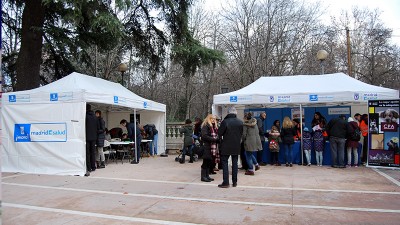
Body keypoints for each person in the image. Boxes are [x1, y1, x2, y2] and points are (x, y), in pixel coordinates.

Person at [217, 107, 243, 188]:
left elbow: (219, 133)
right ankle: (234, 182)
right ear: (235, 113)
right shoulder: (240, 122)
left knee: (225, 163)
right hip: (236, 145)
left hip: (226, 145)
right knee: (235, 163)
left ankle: (226, 182)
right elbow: (242, 133)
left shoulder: (225, 121)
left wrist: (220, 143)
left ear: (228, 113)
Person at [200, 114, 219, 182]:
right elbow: (204, 136)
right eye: (212, 118)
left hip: (211, 146)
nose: (213, 120)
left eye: (214, 119)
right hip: (206, 146)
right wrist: (214, 139)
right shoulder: (206, 125)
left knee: (209, 161)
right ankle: (203, 176)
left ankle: (207, 175)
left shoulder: (213, 126)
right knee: (205, 162)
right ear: (209, 119)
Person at [85, 104, 98, 176]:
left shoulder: (85, 116)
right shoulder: (95, 117)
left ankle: (89, 167)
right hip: (94, 137)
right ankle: (93, 167)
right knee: (93, 152)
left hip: (87, 137)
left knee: (88, 153)